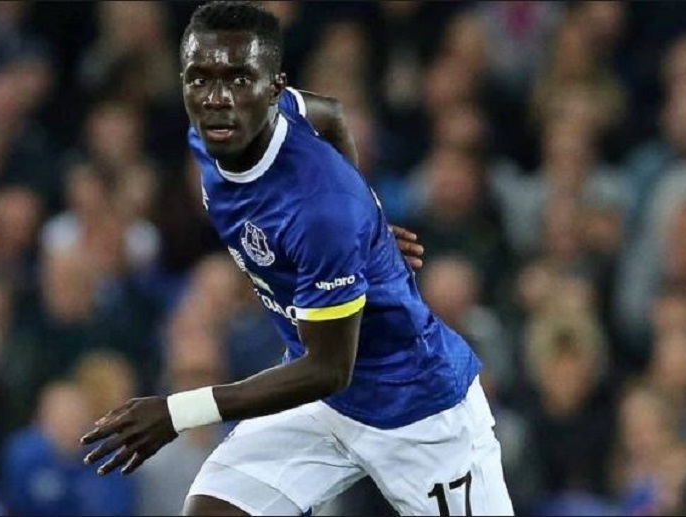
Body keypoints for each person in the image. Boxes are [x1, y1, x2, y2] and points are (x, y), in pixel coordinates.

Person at [81, 2, 513, 516]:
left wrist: (179, 411)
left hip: (415, 408)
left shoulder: (320, 211)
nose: (217, 98)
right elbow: (331, 113)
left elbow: (331, 368)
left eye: (239, 79)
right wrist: (367, 229)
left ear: (273, 88)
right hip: (319, 404)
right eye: (200, 79)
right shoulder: (215, 131)